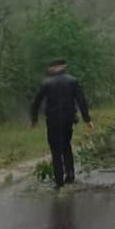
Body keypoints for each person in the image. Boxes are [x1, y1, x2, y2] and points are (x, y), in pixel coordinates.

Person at [31, 59, 93, 189]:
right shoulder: (73, 81)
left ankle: (59, 180)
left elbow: (36, 102)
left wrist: (34, 120)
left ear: (53, 68)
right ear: (64, 67)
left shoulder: (46, 83)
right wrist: (87, 119)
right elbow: (81, 101)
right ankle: (70, 175)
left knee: (55, 150)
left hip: (53, 120)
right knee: (66, 146)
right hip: (68, 119)